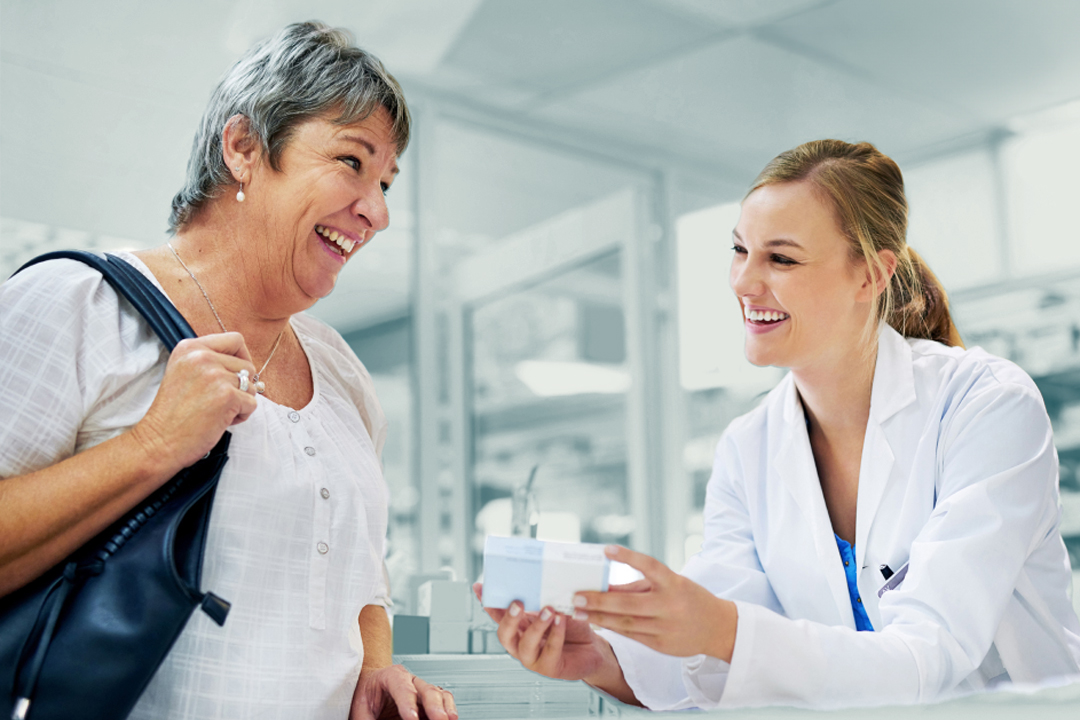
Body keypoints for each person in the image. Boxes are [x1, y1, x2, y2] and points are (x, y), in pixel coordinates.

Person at [477, 139, 1080, 709]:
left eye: (781, 258)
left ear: (871, 276)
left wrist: (721, 628)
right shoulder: (749, 446)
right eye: (740, 250)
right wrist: (604, 657)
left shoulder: (985, 405)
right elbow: (715, 656)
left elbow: (927, 659)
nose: (743, 281)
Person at [0, 22, 455, 720]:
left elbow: (363, 576)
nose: (379, 212)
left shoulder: (342, 373)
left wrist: (373, 670)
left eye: (386, 183)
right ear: (243, 148)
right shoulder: (77, 303)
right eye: (352, 161)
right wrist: (151, 446)